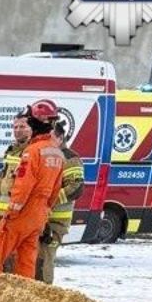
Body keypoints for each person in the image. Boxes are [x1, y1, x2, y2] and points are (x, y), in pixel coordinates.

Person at [0, 100, 66, 282]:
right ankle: (24, 295)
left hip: (22, 211)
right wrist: (45, 210)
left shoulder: (32, 151)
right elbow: (56, 189)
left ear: (34, 122)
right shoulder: (56, 152)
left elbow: (24, 185)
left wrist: (13, 210)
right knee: (27, 259)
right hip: (39, 214)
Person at [37, 121, 86, 284]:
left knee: (44, 259)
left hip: (56, 222)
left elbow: (76, 188)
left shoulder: (70, 158)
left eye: (50, 137)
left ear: (60, 137)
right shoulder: (47, 155)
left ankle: (44, 293)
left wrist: (48, 201)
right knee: (35, 259)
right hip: (40, 219)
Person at [0, 112, 32, 244]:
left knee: (10, 254)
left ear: (31, 128)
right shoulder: (11, 149)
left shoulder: (32, 151)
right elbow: (3, 175)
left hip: (16, 215)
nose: (17, 130)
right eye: (15, 127)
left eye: (22, 127)